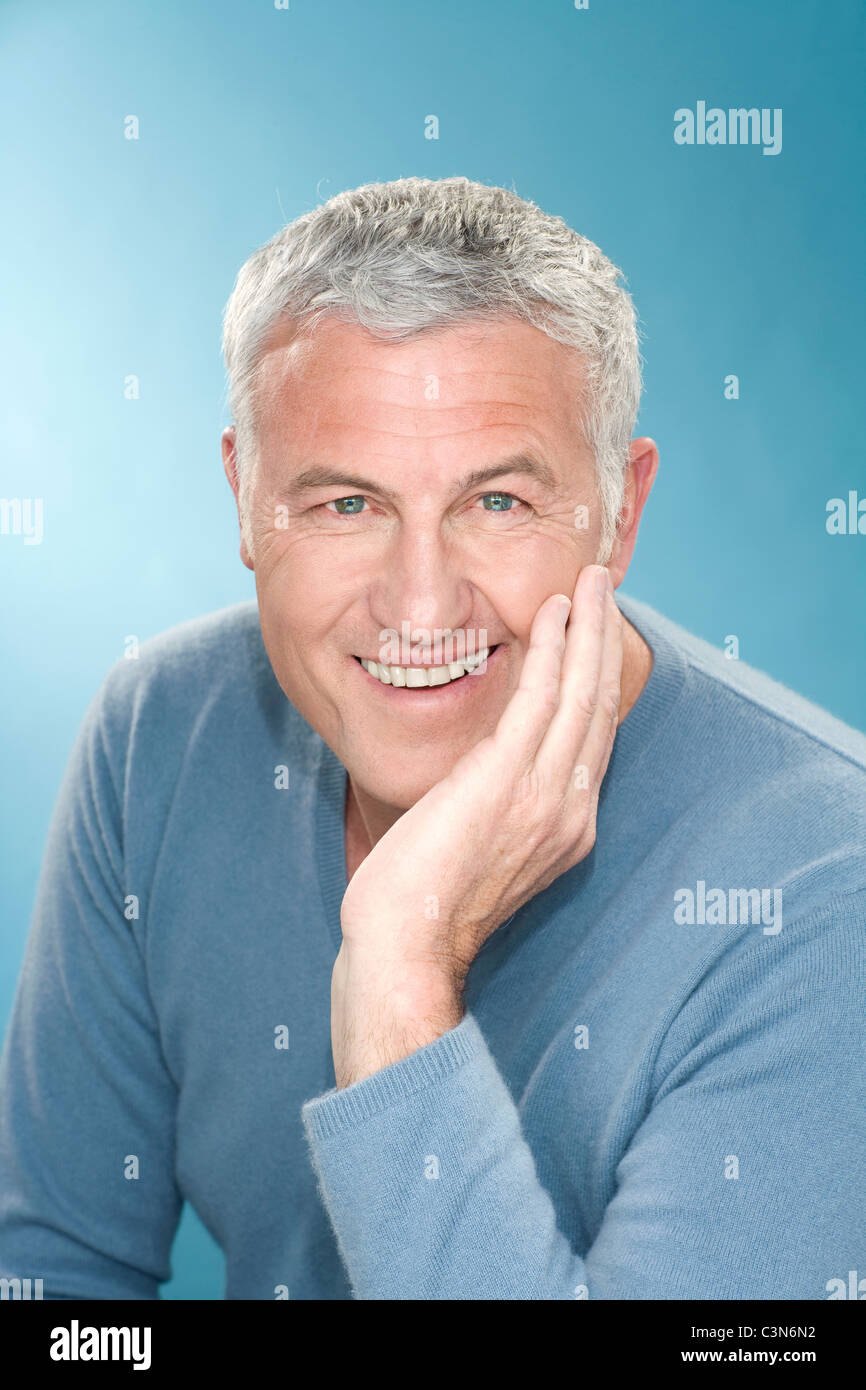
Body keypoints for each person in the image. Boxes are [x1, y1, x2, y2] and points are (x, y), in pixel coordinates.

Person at [1, 177, 864, 1301]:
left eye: (495, 501)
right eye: (344, 505)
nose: (418, 608)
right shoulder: (155, 735)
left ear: (620, 510)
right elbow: (54, 1283)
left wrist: (401, 973)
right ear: (245, 498)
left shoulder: (821, 895)